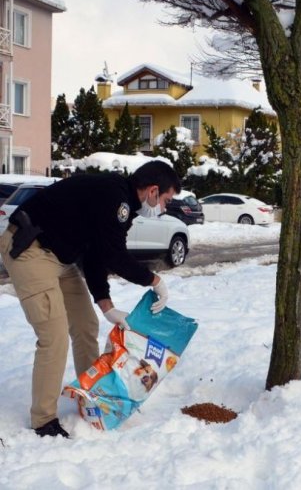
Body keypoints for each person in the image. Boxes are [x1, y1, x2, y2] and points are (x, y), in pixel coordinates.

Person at [0, 161, 180, 438]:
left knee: (86, 326)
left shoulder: (121, 202)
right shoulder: (115, 196)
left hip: (59, 257)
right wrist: (154, 280)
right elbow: (115, 255)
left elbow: (97, 253)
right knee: (54, 336)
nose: (165, 207)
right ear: (153, 191)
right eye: (167, 200)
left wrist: (105, 305)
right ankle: (43, 420)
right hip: (30, 249)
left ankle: (93, 394)